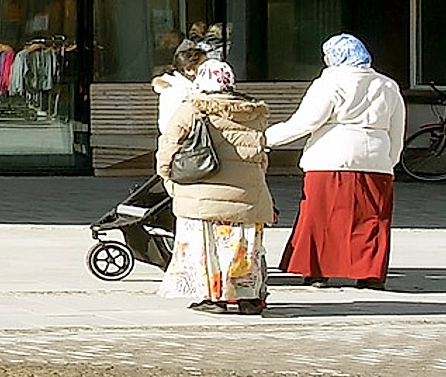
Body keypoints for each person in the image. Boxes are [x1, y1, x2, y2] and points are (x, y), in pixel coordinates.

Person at [271, 33, 403, 290]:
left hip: (330, 157)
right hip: (375, 159)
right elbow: (396, 129)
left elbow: (306, 122)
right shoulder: (388, 85)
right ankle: (370, 274)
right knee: (372, 220)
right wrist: (390, 160)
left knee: (321, 217)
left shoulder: (328, 83)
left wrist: (268, 139)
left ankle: (318, 272)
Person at [156, 51, 274, 315]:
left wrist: (167, 177)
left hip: (201, 192)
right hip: (248, 195)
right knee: (244, 247)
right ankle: (248, 298)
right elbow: (262, 156)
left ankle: (214, 298)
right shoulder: (254, 112)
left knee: (206, 247)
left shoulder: (192, 108)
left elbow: (168, 146)